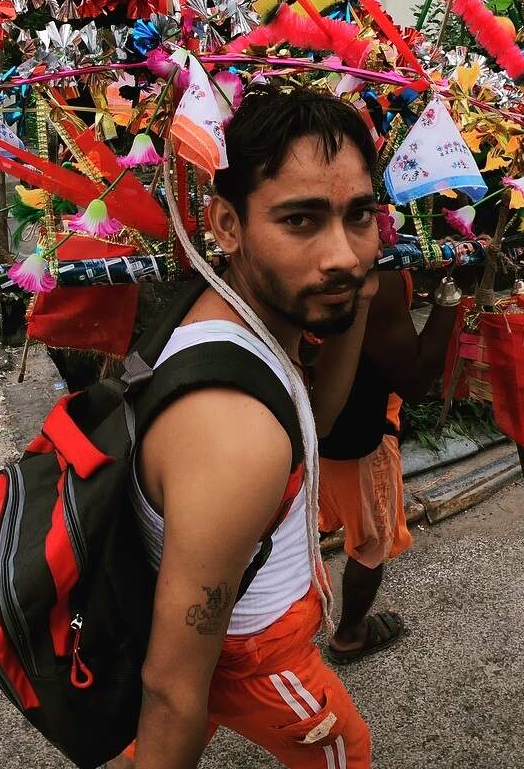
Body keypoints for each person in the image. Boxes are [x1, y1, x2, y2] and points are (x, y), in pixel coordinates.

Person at [127, 85, 381, 768]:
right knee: (343, 753)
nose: (344, 256)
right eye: (301, 221)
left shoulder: (235, 311)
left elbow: (310, 424)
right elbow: (172, 686)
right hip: (251, 648)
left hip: (237, 624)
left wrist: (355, 306)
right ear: (227, 225)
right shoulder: (234, 433)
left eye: (360, 216)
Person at [309, 264, 461, 665]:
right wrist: (448, 296)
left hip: (299, 428)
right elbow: (414, 381)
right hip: (358, 436)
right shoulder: (377, 277)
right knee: (372, 542)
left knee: (304, 527)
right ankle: (349, 635)